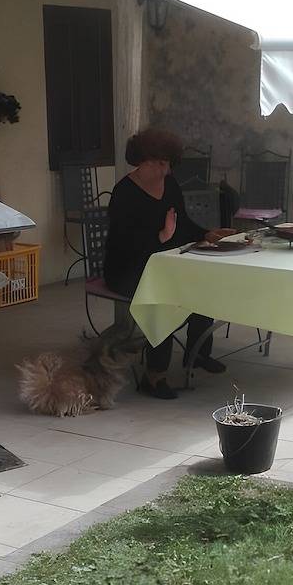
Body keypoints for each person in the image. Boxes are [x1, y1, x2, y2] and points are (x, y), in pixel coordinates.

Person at [103, 127, 230, 399]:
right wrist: (160, 237)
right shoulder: (124, 192)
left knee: (203, 285)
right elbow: (123, 244)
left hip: (164, 263)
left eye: (168, 164)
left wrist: (207, 234)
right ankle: (154, 375)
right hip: (127, 268)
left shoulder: (169, 185)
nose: (166, 170)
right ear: (143, 160)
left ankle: (197, 354)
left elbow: (181, 223)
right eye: (160, 164)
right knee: (166, 297)